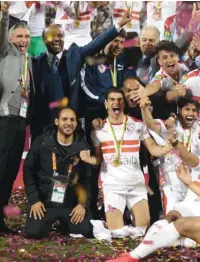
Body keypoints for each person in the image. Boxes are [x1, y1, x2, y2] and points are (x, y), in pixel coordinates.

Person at [82, 88, 172, 237]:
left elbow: (153, 148)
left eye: (119, 100)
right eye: (112, 99)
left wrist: (167, 147)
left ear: (124, 104)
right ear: (106, 104)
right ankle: (111, 222)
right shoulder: (98, 130)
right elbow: (98, 158)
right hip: (113, 187)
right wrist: (89, 159)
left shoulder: (138, 125)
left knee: (143, 230)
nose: (116, 103)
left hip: (136, 186)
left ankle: (128, 219)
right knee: (116, 232)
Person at [31, 9, 133, 138]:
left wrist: (118, 25)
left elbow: (96, 44)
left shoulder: (74, 55)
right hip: (44, 124)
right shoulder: (35, 62)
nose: (57, 39)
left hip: (71, 123)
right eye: (52, 36)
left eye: (60, 36)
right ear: (44, 40)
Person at [24, 107, 92, 239]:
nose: (68, 123)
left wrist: (82, 205)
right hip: (45, 203)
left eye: (72, 120)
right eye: (64, 119)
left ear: (76, 124)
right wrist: (35, 200)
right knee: (34, 232)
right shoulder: (41, 142)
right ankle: (58, 221)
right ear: (56, 121)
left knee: (85, 231)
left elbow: (87, 180)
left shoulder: (83, 148)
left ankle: (65, 224)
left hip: (70, 205)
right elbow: (28, 171)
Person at [0, 2, 34, 234]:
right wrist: (3, 15)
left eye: (27, 36)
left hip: (21, 122)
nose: (23, 40)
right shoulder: (4, 52)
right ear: (11, 39)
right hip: (5, 119)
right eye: (19, 36)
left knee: (11, 171)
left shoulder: (30, 60)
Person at [142, 96, 200, 214]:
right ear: (180, 110)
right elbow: (150, 124)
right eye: (187, 109)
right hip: (171, 183)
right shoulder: (168, 126)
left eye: (194, 110)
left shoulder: (197, 130)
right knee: (171, 219)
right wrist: (144, 109)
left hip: (192, 184)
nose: (191, 113)